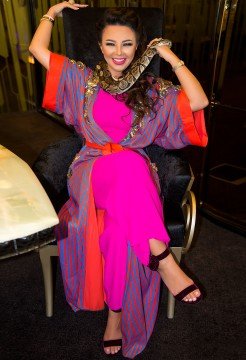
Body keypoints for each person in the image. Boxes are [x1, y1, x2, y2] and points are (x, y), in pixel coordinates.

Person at [29, 1, 209, 358]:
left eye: (127, 44)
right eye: (111, 44)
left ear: (139, 46)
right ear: (100, 46)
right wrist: (53, 10)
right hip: (91, 170)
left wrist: (171, 57)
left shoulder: (155, 88)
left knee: (118, 229)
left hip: (136, 179)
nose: (118, 53)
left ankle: (114, 316)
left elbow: (199, 101)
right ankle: (163, 257)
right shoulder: (82, 79)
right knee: (126, 164)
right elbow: (36, 50)